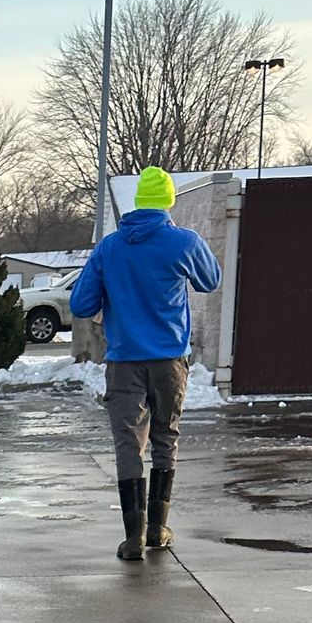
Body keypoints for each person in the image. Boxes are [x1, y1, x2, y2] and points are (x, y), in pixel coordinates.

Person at [68, 167, 221, 562]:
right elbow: (210, 281)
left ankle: (132, 536)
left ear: (137, 203)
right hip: (169, 359)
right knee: (165, 438)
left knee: (128, 443)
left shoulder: (110, 247)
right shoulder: (183, 242)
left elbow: (81, 304)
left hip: (123, 362)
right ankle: (158, 527)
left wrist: (117, 296)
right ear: (168, 201)